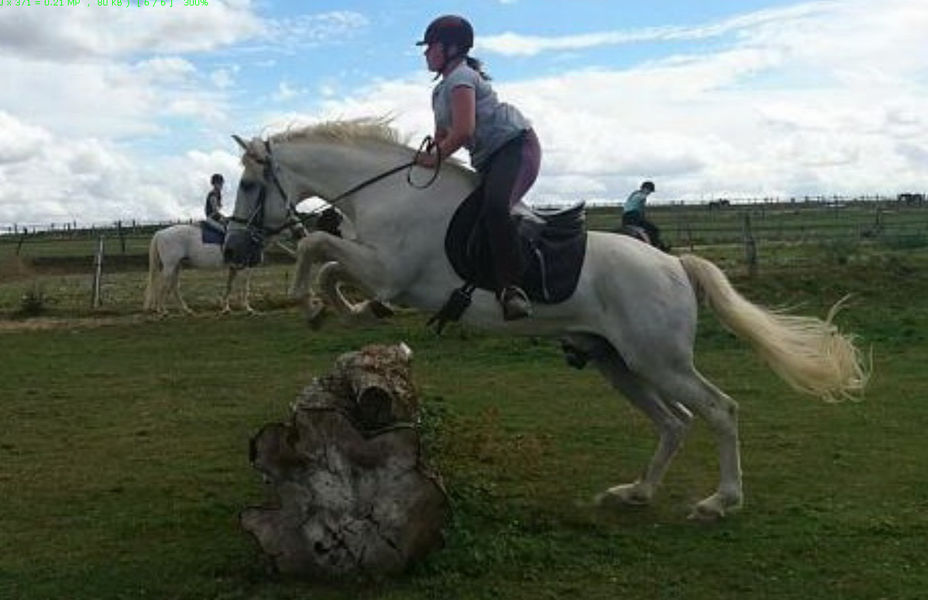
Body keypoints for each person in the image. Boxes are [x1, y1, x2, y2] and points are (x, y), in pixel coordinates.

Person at [414, 14, 541, 321]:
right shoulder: (439, 91)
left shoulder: (461, 79)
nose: (426, 53)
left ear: (451, 48)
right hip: (489, 159)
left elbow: (464, 132)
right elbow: (443, 137)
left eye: (430, 46)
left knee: (496, 208)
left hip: (515, 149)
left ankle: (512, 288)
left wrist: (434, 158)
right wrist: (425, 159)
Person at [621, 180, 667, 250]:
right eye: (649, 191)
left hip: (625, 217)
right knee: (654, 229)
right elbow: (641, 210)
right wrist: (643, 218)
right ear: (645, 189)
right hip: (634, 216)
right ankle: (654, 246)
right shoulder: (642, 197)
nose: (649, 193)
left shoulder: (634, 194)